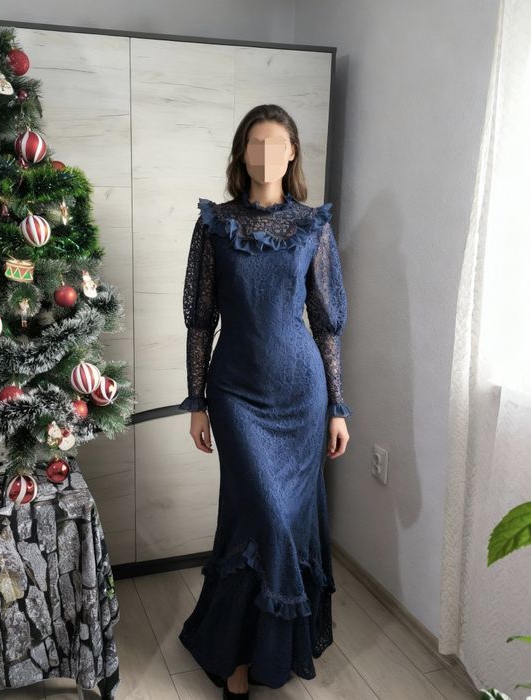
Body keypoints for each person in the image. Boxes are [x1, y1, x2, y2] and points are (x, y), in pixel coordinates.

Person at [177, 104, 352, 699]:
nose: (265, 152)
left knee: (283, 525)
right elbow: (200, 321)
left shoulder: (312, 226)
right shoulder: (214, 224)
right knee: (263, 518)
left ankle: (266, 653)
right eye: (255, 142)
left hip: (301, 396)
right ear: (241, 152)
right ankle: (234, 660)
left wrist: (338, 407)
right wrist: (196, 401)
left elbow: (326, 323)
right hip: (235, 394)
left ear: (292, 152)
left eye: (276, 142)